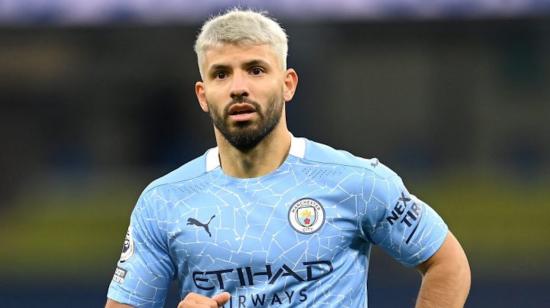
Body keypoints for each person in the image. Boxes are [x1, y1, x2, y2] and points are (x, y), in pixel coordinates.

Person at [106, 8, 470, 308]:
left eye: (256, 69)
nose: (239, 87)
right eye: (221, 74)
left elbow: (447, 264)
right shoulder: (163, 202)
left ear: (288, 84)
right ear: (203, 96)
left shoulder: (357, 182)